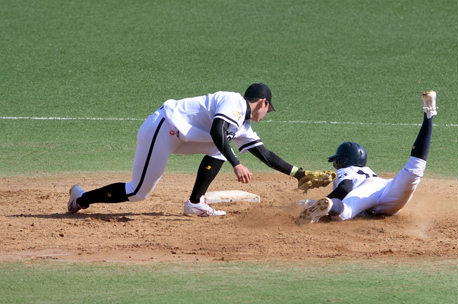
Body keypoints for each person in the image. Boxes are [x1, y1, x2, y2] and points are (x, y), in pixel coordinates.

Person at [68, 83, 306, 217]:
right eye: (268, 109)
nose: (266, 114)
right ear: (263, 102)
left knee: (222, 146)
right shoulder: (233, 101)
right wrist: (237, 164)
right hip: (162, 128)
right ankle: (81, 198)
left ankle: (195, 203)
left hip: (182, 137)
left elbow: (265, 155)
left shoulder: (244, 124)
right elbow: (217, 130)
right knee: (138, 192)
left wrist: (300, 175)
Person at [296, 91, 438, 224]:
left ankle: (330, 205)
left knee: (344, 212)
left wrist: (323, 202)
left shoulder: (347, 170)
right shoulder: (367, 171)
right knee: (414, 170)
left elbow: (345, 188)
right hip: (387, 190)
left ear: (342, 161)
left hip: (369, 191)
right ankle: (429, 113)